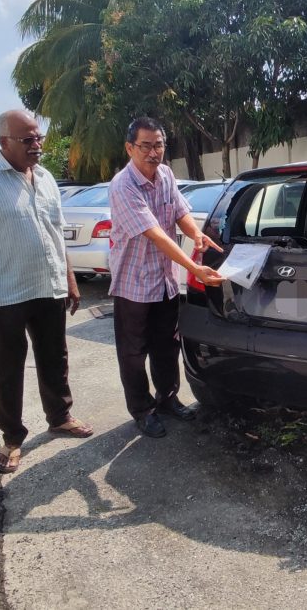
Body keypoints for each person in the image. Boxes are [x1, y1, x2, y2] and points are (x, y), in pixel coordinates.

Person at [0, 110, 92, 474]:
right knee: (9, 366)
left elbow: (55, 233)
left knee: (54, 356)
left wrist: (71, 279)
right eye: (27, 140)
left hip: (48, 286)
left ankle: (59, 416)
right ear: (4, 143)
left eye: (38, 138)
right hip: (5, 293)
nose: (37, 146)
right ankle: (13, 437)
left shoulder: (45, 178)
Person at [108, 117, 225, 438]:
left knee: (166, 345)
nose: (152, 152)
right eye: (145, 146)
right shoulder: (123, 185)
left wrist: (196, 235)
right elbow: (155, 234)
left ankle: (167, 398)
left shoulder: (166, 175)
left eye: (158, 145)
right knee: (133, 353)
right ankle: (142, 410)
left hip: (164, 280)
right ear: (130, 148)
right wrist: (194, 266)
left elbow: (179, 211)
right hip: (134, 283)